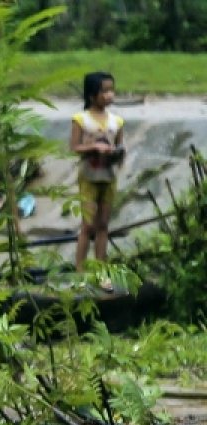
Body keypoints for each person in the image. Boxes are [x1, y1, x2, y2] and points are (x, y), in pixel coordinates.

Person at [70, 71, 125, 292]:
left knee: (103, 225)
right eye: (104, 91)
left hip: (108, 177)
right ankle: (80, 271)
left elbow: (120, 146)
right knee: (88, 225)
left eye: (111, 90)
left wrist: (117, 153)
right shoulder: (81, 120)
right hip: (89, 178)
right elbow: (75, 147)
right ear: (92, 95)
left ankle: (101, 271)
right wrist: (94, 147)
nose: (109, 95)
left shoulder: (117, 121)